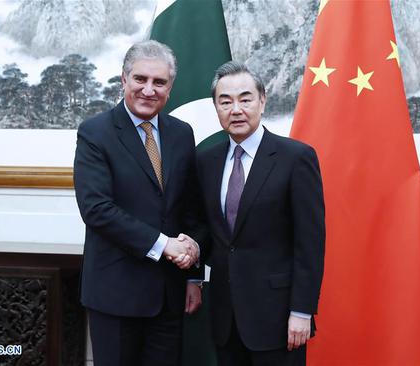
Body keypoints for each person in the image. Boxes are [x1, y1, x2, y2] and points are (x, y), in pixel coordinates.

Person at [73, 40, 204, 366]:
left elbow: (191, 209)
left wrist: (193, 274)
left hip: (169, 297)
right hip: (115, 296)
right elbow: (96, 209)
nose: (149, 90)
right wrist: (163, 245)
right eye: (140, 79)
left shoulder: (181, 134)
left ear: (170, 88)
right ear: (124, 80)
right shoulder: (95, 133)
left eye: (159, 82)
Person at [197, 61, 325, 366]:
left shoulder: (296, 158)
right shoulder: (205, 161)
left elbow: (310, 243)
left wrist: (302, 311)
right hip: (225, 318)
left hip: (279, 317)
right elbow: (206, 229)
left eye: (245, 99)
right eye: (225, 102)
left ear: (262, 101)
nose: (236, 109)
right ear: (216, 108)